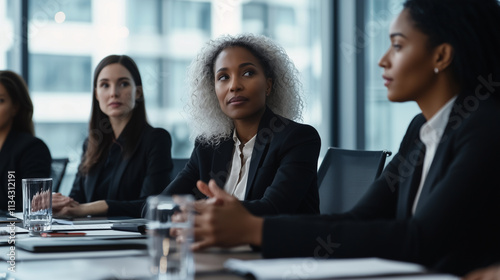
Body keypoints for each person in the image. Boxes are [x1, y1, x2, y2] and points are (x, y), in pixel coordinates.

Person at [191, 0, 500, 276]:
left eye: (397, 45)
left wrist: (255, 229)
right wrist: (253, 228)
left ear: (442, 55)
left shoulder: (486, 125)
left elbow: (420, 240)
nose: (383, 60)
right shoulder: (421, 129)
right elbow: (360, 218)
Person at [159, 34, 321, 216]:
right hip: (215, 244)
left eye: (247, 73)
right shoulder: (208, 146)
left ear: (268, 86)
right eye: (223, 77)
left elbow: (274, 210)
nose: (234, 86)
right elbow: (161, 206)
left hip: (278, 244)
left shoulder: (298, 139)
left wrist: (204, 211)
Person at [53, 55, 173, 218]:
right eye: (105, 85)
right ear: (96, 94)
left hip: (132, 238)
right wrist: (59, 204)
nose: (113, 93)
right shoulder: (91, 144)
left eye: (123, 84)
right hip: (89, 236)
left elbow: (152, 204)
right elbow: (77, 200)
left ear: (137, 92)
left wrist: (93, 208)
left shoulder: (156, 139)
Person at [0, 70, 52, 212]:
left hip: (14, 230)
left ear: (15, 107)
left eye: (0, 100)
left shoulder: (32, 148)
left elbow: (32, 205)